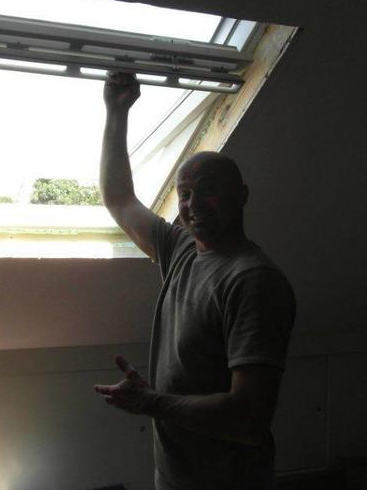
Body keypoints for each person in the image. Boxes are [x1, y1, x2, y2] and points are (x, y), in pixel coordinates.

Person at [93, 72, 296, 489]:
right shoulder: (182, 248)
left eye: (207, 191)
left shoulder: (253, 282)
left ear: (241, 195)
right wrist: (116, 111)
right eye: (184, 194)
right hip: (175, 476)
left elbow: (248, 419)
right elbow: (120, 199)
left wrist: (152, 402)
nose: (192, 204)